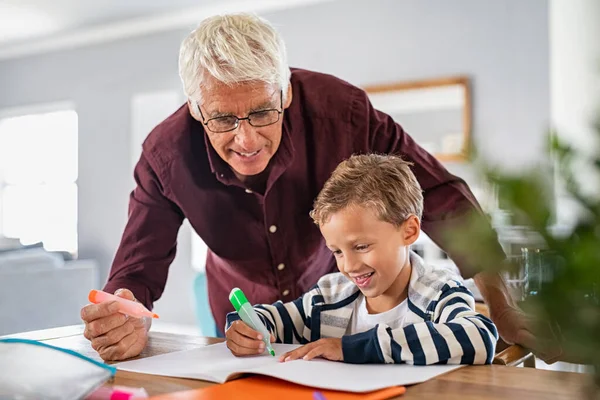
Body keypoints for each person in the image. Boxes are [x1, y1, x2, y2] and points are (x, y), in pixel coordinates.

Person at [80, 13, 537, 362]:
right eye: (222, 118)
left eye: (262, 111)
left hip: (342, 313)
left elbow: (440, 195)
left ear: (287, 92)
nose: (246, 139)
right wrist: (125, 315)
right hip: (249, 325)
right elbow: (137, 270)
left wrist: (499, 300)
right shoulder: (166, 155)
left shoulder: (344, 112)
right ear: (197, 109)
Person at [225, 154, 498, 364]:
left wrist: (351, 348)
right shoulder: (329, 297)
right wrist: (249, 328)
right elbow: (274, 318)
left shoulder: (440, 293)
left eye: (362, 246)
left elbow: (477, 338)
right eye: (337, 252)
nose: (349, 266)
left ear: (409, 231)